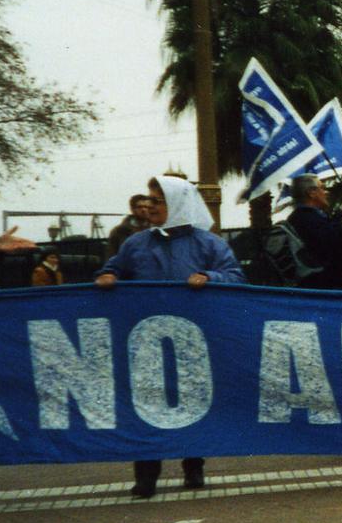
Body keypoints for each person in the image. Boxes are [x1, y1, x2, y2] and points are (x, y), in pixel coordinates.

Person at [94, 175, 244, 498]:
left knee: (192, 403)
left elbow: (235, 276)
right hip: (147, 341)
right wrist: (107, 275)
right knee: (147, 405)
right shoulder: (136, 243)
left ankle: (194, 466)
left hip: (195, 340)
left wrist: (210, 276)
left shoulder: (209, 244)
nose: (149, 207)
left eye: (157, 201)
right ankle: (146, 475)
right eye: (148, 200)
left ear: (177, 204)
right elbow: (114, 268)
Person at [284, 174, 342, 289]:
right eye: (322, 188)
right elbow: (334, 248)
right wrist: (341, 218)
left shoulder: (298, 217)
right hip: (324, 286)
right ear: (312, 193)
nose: (326, 192)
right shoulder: (307, 218)